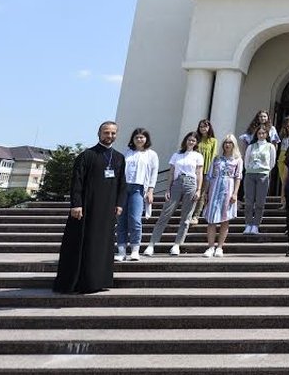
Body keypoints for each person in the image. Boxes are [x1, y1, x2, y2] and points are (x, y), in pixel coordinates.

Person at [53, 121, 126, 294]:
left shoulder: (119, 158)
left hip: (107, 209)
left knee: (101, 245)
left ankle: (98, 281)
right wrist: (76, 204)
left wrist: (119, 204)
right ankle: (77, 282)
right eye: (106, 133)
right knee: (81, 243)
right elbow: (77, 181)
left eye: (113, 133)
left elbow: (122, 183)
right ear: (99, 134)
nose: (109, 136)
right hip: (86, 207)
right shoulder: (87, 155)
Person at [144, 131, 204, 257]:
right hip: (177, 183)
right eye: (189, 140)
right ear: (185, 141)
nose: (191, 142)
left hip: (191, 183)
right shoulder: (177, 155)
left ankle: (177, 245)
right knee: (165, 214)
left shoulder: (198, 156)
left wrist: (198, 190)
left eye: (193, 140)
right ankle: (151, 245)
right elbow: (171, 172)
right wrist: (168, 189)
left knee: (186, 217)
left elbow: (199, 174)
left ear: (196, 143)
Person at [116, 127, 158, 262]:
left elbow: (153, 173)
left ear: (146, 139)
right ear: (133, 139)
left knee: (135, 219)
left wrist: (151, 190)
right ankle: (121, 250)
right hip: (124, 188)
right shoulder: (127, 153)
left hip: (139, 188)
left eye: (142, 137)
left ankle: (135, 249)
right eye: (137, 137)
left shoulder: (151, 154)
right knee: (121, 220)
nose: (139, 139)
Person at [203, 135, 243, 258]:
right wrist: (206, 192)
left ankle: (220, 247)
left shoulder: (237, 159)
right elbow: (209, 176)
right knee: (211, 219)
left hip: (228, 188)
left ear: (234, 144)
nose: (227, 144)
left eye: (230, 142)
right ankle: (210, 247)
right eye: (225, 142)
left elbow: (238, 177)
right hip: (215, 188)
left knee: (225, 219)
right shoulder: (216, 159)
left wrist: (235, 193)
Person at [242, 125, 275, 234]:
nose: (261, 135)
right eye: (259, 133)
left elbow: (272, 162)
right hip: (250, 174)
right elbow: (246, 161)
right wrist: (250, 170)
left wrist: (265, 170)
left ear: (266, 134)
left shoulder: (270, 147)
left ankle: (256, 224)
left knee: (260, 201)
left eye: (263, 133)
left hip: (263, 175)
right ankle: (248, 224)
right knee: (249, 201)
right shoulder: (251, 147)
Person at [190, 119, 217, 226]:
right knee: (191, 192)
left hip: (206, 171)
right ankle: (188, 213)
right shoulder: (196, 139)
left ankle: (196, 215)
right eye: (201, 127)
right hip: (194, 170)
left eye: (205, 126)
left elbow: (214, 155)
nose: (203, 129)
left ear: (209, 128)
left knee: (201, 194)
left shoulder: (213, 141)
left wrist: (213, 170)